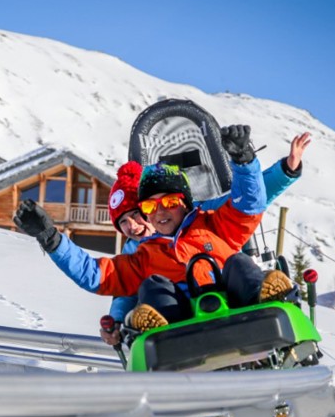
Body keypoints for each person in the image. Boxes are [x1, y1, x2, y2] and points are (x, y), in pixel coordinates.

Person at [14, 125, 302, 334]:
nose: (160, 212)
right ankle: (158, 326)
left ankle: (265, 299)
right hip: (182, 320)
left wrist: (245, 162)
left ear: (186, 203)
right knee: (152, 284)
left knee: (238, 262)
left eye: (169, 202)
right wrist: (51, 240)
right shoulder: (143, 255)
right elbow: (96, 275)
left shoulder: (213, 223)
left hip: (234, 302)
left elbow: (248, 203)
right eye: (151, 207)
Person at [98, 131, 311, 344]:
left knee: (237, 263)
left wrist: (286, 170)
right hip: (177, 312)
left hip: (222, 295)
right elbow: (124, 291)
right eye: (122, 222)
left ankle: (266, 305)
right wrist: (116, 320)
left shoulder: (197, 218)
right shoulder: (133, 250)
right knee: (150, 287)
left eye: (136, 213)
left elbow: (244, 199)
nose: (132, 226)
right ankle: (164, 341)